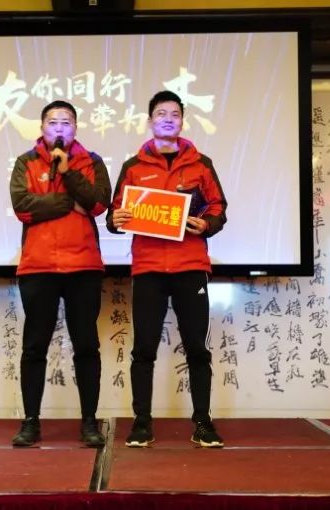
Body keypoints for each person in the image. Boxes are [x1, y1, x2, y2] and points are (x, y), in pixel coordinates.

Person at [107, 90, 228, 448]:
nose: (168, 119)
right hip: (148, 269)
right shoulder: (133, 166)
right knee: (144, 349)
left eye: (174, 114)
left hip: (190, 265)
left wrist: (207, 224)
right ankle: (142, 423)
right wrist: (116, 219)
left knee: (197, 348)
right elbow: (115, 215)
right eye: (161, 113)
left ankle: (203, 422)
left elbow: (218, 207)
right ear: (150, 121)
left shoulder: (201, 164)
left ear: (182, 121)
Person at [9, 100, 111, 448]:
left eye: (66, 122)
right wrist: (68, 203)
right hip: (39, 266)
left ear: (76, 128)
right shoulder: (26, 162)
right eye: (53, 122)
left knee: (86, 346)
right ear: (42, 128)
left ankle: (89, 422)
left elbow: (98, 204)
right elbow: (23, 207)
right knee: (34, 346)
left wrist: (67, 173)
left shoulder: (91, 162)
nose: (59, 128)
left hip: (83, 267)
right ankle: (30, 422)